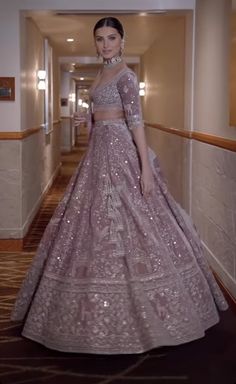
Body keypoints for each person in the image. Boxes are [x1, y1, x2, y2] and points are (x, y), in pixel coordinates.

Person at [11, 16, 228, 354]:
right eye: (100, 39)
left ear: (122, 41)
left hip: (122, 152)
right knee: (87, 220)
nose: (105, 44)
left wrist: (144, 168)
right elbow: (104, 113)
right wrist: (92, 119)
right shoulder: (99, 75)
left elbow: (137, 124)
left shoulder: (127, 76)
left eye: (112, 38)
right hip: (97, 152)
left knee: (135, 220)